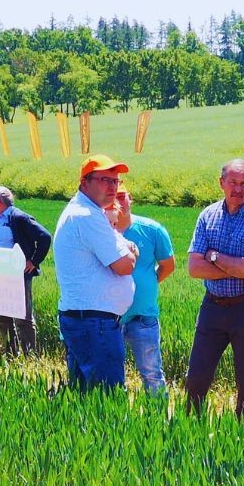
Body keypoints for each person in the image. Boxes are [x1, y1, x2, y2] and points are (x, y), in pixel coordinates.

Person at [185, 159, 244, 416]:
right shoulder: (207, 215)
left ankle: (243, 437)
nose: (238, 189)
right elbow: (194, 268)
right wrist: (240, 269)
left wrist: (213, 256)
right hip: (212, 307)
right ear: (221, 183)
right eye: (233, 183)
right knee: (197, 377)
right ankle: (191, 430)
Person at [53, 156, 138, 390]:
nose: (112, 187)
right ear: (84, 182)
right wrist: (131, 253)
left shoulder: (88, 212)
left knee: (86, 398)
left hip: (87, 319)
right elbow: (125, 265)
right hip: (94, 322)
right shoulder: (87, 216)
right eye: (104, 180)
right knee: (106, 399)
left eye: (116, 181)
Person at [112, 188, 176, 394]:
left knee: (152, 373)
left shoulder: (152, 230)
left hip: (143, 315)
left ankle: (157, 417)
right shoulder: (101, 231)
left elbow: (168, 265)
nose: (119, 201)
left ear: (131, 199)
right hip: (110, 316)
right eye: (114, 197)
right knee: (113, 372)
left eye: (122, 196)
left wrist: (147, 284)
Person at [0, 186, 52, 357]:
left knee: (23, 317)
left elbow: (45, 237)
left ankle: (29, 356)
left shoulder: (19, 217)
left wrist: (34, 261)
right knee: (3, 316)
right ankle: (10, 353)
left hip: (18, 275)